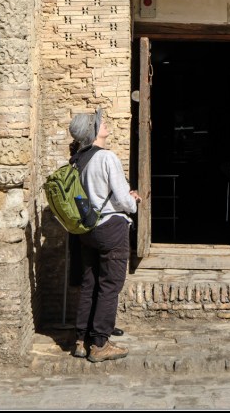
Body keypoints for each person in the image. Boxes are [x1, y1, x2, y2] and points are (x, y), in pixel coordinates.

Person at [68, 108, 141, 363]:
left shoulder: (78, 159)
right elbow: (122, 199)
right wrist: (133, 201)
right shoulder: (107, 158)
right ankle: (99, 343)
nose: (106, 123)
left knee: (90, 283)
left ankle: (81, 339)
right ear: (94, 130)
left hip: (88, 230)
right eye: (101, 122)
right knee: (110, 286)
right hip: (110, 227)